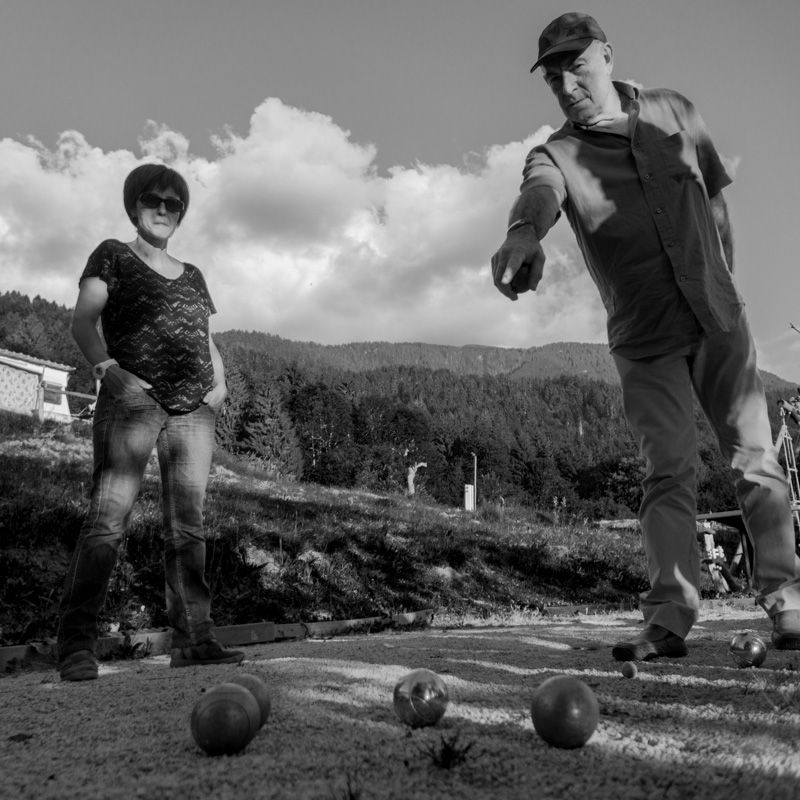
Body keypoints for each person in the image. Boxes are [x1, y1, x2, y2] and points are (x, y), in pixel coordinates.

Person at [491, 12, 800, 661]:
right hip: (645, 338)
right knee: (668, 473)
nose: (566, 81)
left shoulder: (675, 112)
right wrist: (523, 237)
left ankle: (790, 604)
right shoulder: (557, 156)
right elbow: (538, 198)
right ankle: (668, 618)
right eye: (553, 75)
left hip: (719, 317)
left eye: (576, 64)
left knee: (756, 461)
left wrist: (727, 285)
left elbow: (715, 204)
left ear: (606, 55)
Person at [57, 163, 244, 680]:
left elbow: (203, 338)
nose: (163, 209)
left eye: (173, 203)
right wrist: (108, 372)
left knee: (187, 527)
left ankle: (194, 641)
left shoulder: (193, 275)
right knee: (107, 520)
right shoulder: (112, 255)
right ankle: (75, 646)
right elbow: (82, 320)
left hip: (194, 411)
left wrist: (221, 384)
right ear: (133, 206)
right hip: (133, 399)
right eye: (152, 200)